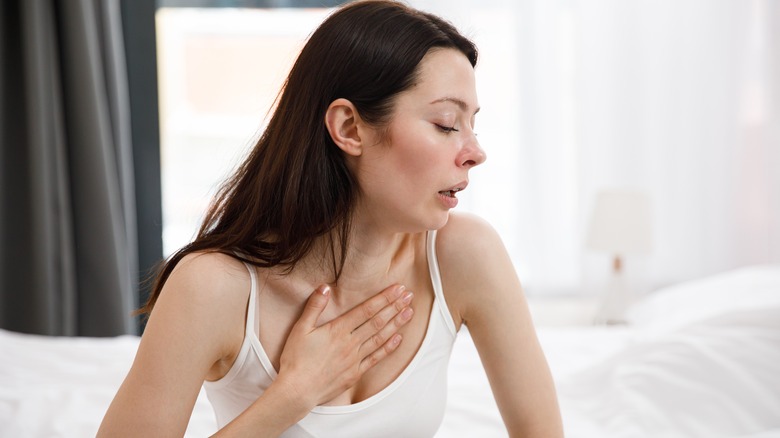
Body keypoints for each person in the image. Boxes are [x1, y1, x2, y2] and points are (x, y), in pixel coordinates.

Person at [98, 1, 563, 436]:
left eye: (472, 125)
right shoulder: (214, 287)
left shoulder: (464, 254)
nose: (475, 153)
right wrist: (293, 396)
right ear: (348, 128)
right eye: (445, 123)